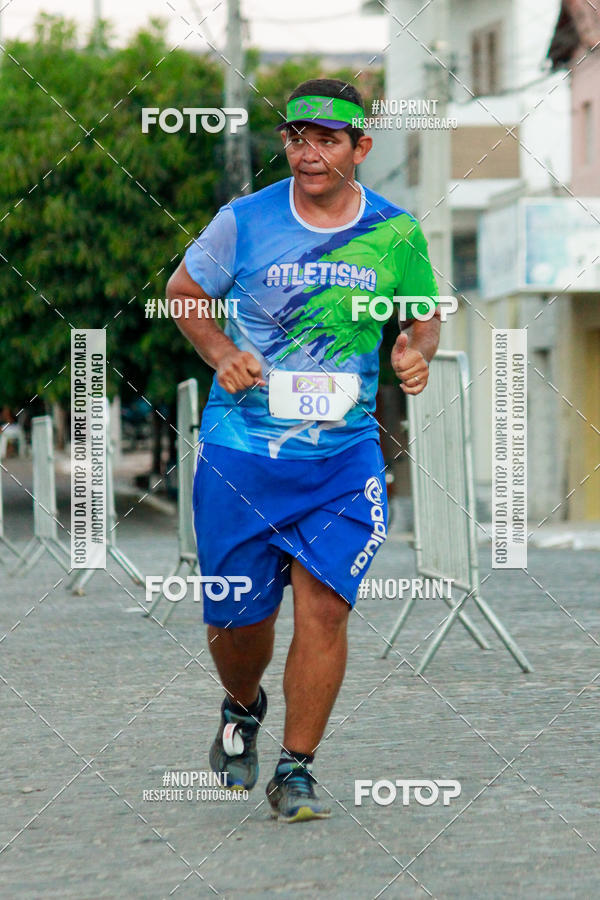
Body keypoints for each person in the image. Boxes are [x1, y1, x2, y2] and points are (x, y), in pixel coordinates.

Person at [166, 78, 441, 823]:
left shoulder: (397, 232)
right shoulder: (244, 222)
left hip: (344, 459)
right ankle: (241, 703)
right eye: (295, 137)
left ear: (361, 147)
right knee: (237, 623)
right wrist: (222, 352)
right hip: (241, 454)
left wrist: (414, 351)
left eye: (327, 139)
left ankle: (296, 769)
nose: (308, 152)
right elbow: (184, 292)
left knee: (325, 607)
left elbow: (422, 317)